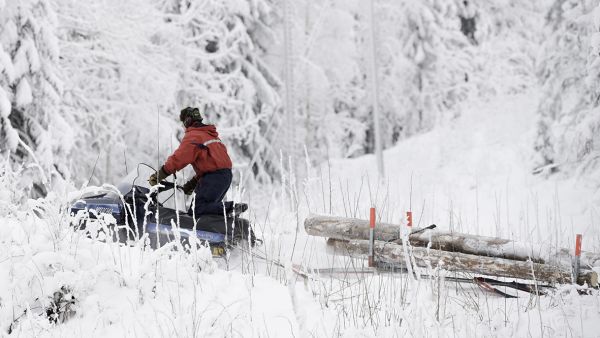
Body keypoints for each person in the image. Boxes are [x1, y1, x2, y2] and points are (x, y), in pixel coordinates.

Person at [148, 107, 247, 216]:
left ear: (187, 121)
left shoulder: (194, 135)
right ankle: (223, 226)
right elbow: (211, 165)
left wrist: (159, 175)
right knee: (205, 212)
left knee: (197, 209)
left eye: (183, 123)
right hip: (225, 176)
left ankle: (231, 208)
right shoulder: (209, 135)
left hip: (214, 178)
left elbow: (179, 158)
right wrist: (192, 184)